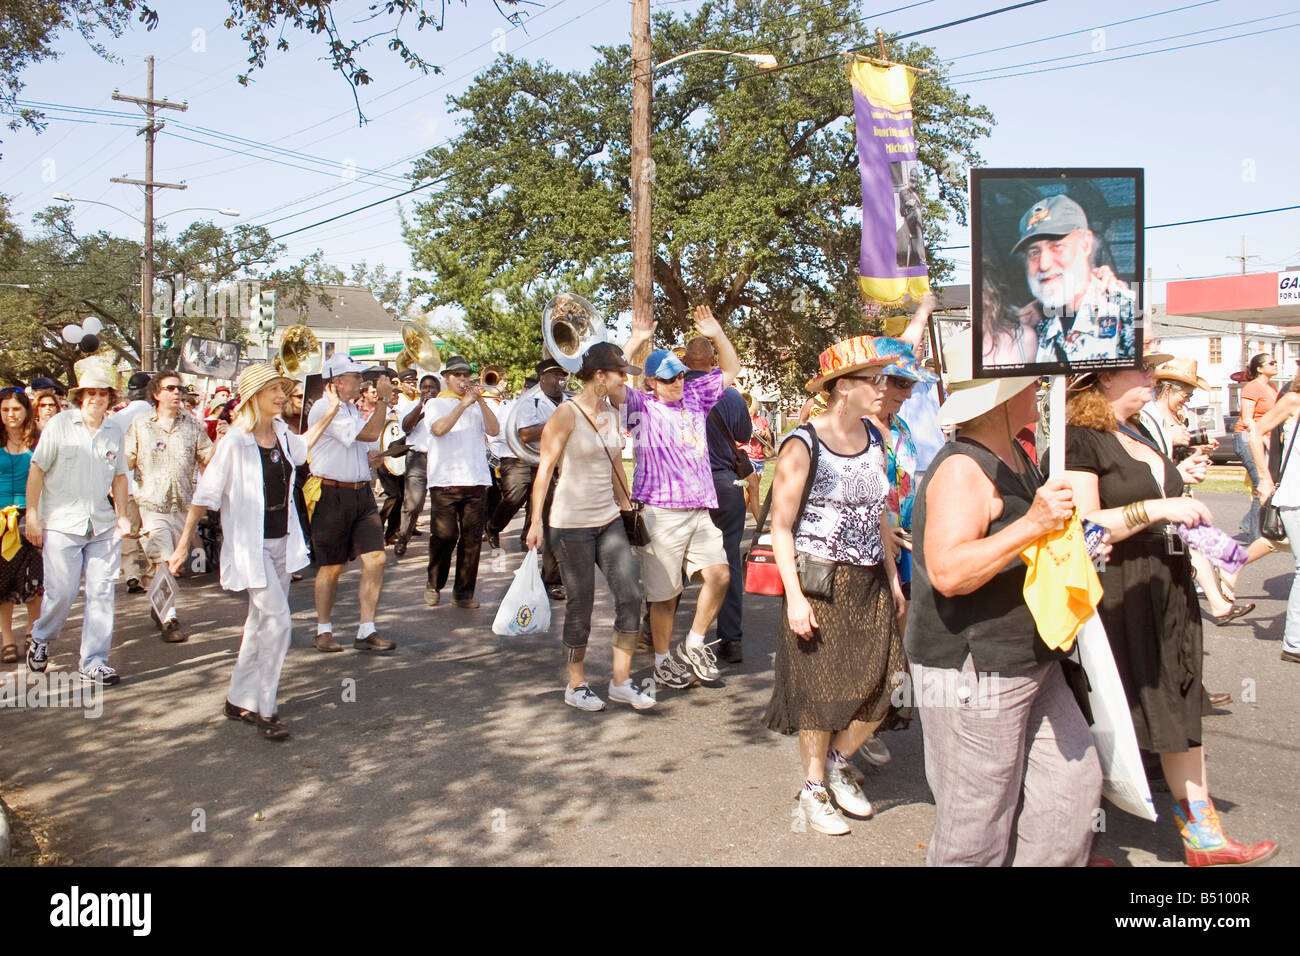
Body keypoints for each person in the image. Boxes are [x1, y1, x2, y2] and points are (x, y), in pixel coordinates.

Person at [1053, 358, 1277, 866]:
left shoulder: (1138, 431)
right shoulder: (1079, 438)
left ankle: (1205, 840)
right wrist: (1157, 508)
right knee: (1104, 719)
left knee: (1180, 704)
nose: (1152, 378)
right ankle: (1073, 842)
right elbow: (1086, 525)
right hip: (1119, 592)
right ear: (1105, 378)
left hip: (1168, 587)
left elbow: (1171, 510)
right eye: (1141, 370)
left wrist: (1222, 553)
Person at [904, 335, 1102, 865]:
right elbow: (948, 572)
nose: (1038, 388)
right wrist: (1034, 523)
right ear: (1001, 397)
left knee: (1074, 791)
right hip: (975, 666)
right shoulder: (961, 468)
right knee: (976, 822)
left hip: (1031, 658)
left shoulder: (1014, 452)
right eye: (1029, 382)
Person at [762, 335, 907, 835]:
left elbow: (881, 514)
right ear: (844, 386)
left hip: (870, 581)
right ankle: (813, 789)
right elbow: (781, 527)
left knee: (888, 682)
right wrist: (794, 598)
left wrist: (893, 578)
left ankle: (839, 763)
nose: (884, 389)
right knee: (819, 693)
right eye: (876, 380)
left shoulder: (876, 435)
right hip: (820, 580)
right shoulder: (802, 444)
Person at [168, 365, 341, 741]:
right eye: (273, 391)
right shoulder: (235, 442)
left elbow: (304, 444)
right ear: (253, 398)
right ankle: (266, 708)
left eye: (282, 389)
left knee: (258, 625)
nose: (281, 396)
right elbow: (205, 496)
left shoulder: (281, 433)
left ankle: (236, 699)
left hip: (282, 543)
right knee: (278, 622)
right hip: (252, 548)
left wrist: (329, 412)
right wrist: (183, 544)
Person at [527, 343, 653, 710]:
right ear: (600, 377)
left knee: (630, 594)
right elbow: (545, 470)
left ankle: (620, 681)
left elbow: (615, 467)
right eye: (619, 375)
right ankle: (576, 684)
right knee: (580, 603)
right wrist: (536, 521)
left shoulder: (612, 414)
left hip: (608, 519)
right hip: (570, 524)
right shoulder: (566, 414)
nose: (623, 382)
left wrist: (627, 505)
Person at [622, 306, 740, 689]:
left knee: (720, 575)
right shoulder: (641, 406)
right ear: (652, 382)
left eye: (681, 376)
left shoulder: (696, 396)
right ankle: (660, 660)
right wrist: (637, 340)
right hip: (661, 512)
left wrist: (717, 333)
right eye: (669, 379)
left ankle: (693, 643)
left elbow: (732, 369)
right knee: (665, 596)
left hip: (700, 509)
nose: (678, 384)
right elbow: (605, 384)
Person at [23, 365, 132, 685]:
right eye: (90, 393)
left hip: (101, 524)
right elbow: (37, 470)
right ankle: (41, 637)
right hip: (60, 523)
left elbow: (120, 476)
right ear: (81, 397)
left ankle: (93, 662)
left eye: (102, 393)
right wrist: (32, 516)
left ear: (110, 399)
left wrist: (123, 514)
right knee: (62, 593)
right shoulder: (59, 424)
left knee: (101, 593)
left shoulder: (113, 431)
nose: (96, 399)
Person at [1138, 359, 1252, 629]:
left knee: (1195, 543)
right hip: (1163, 496)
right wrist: (1177, 444)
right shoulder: (1148, 416)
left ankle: (1219, 597)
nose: (1186, 400)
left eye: (1190, 395)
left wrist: (1198, 447)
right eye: (1184, 394)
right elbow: (1149, 461)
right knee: (1193, 543)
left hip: (1178, 491)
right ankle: (1220, 594)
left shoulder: (1177, 417)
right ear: (1167, 389)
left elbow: (1178, 454)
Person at [307, 354, 395, 654]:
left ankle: (366, 629)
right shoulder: (325, 407)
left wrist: (379, 455)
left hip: (360, 494)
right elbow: (370, 433)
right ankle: (323, 629)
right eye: (356, 377)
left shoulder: (351, 409)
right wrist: (383, 402)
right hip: (333, 494)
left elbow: (369, 446)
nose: (362, 382)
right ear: (337, 382)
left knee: (376, 559)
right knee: (331, 566)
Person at [124, 370, 215, 642]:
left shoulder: (191, 423)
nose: (177, 393)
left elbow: (208, 456)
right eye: (170, 388)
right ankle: (169, 618)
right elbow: (126, 460)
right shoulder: (141, 424)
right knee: (163, 558)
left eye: (179, 388)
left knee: (172, 563)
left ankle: (159, 604)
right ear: (156, 394)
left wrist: (222, 438)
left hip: (184, 505)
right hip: (152, 504)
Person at [680, 336, 752, 665]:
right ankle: (732, 640)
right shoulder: (731, 394)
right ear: (712, 361)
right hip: (724, 484)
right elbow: (744, 436)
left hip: (685, 487)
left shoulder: (674, 391)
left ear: (684, 359)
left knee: (673, 560)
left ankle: (656, 632)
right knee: (730, 563)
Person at [1008, 195, 1137, 365]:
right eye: (1034, 252)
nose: (1044, 264)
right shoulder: (1035, 326)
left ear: (1085, 244)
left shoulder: (1127, 314)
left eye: (1057, 246)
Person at [422, 354, 498, 609]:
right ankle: (434, 583)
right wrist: (464, 404)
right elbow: (439, 430)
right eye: (457, 375)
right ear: (447, 378)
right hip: (445, 480)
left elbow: (495, 430)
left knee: (472, 539)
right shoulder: (435, 404)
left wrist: (481, 403)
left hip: (475, 479)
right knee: (444, 536)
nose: (462, 379)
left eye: (466, 375)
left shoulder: (476, 404)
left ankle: (464, 593)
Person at [487, 358, 566, 597]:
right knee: (545, 517)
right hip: (537, 463)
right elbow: (526, 434)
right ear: (542, 378)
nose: (561, 378)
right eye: (555, 374)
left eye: (563, 374)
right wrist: (561, 421)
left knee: (562, 523)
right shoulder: (528, 403)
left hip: (569, 467)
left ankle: (563, 574)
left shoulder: (571, 400)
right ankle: (552, 579)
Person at [1248, 389, 1300, 665]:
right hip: (1295, 497)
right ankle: (1295, 643)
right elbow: (1255, 430)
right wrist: (1264, 477)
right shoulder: (1293, 400)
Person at [1, 388, 43, 664]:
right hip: (1, 518)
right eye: (5, 409)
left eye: (15, 409)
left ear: (27, 410)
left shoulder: (40, 440)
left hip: (32, 516)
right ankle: (6, 639)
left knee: (34, 580)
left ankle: (32, 631)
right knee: (1, 582)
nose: (10, 414)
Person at [1234, 353, 1278, 540]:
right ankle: (1256, 535)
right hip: (1248, 438)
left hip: (1265, 438)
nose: (1275, 364)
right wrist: (1260, 438)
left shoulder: (1272, 387)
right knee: (1262, 483)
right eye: (1271, 362)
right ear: (1260, 368)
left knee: (1269, 483)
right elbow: (1248, 419)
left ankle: (1248, 522)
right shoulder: (1251, 387)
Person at [394, 372, 438, 556]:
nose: (427, 390)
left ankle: (440, 541)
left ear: (438, 390)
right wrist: (421, 407)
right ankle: (403, 537)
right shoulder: (412, 405)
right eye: (424, 387)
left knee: (441, 504)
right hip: (417, 458)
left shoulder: (444, 407)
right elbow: (406, 427)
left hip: (439, 459)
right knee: (413, 503)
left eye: (431, 387)